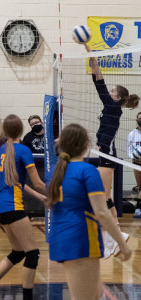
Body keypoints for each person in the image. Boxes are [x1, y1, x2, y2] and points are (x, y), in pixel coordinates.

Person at [47, 123, 132, 300]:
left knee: (95, 294)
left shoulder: (58, 172)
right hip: (81, 240)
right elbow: (101, 212)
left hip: (61, 239)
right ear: (86, 144)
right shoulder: (87, 170)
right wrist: (121, 244)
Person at [0, 114, 46, 300]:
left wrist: (39, 196)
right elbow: (38, 182)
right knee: (32, 253)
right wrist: (57, 192)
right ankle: (27, 297)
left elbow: (17, 182)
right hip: (12, 207)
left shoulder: (2, 150)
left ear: (5, 131)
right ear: (21, 130)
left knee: (18, 252)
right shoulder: (23, 150)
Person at [86, 44, 139, 258]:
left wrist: (92, 57)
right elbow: (100, 83)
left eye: (112, 91)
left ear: (117, 97)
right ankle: (117, 237)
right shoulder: (112, 107)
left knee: (103, 196)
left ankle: (114, 238)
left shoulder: (112, 106)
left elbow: (99, 82)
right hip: (105, 155)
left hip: (107, 157)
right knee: (104, 197)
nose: (109, 92)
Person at [127, 112, 141, 218]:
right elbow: (129, 149)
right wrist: (134, 157)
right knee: (140, 186)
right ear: (136, 119)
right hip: (137, 163)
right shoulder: (132, 134)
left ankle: (138, 207)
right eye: (139, 118)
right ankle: (138, 209)